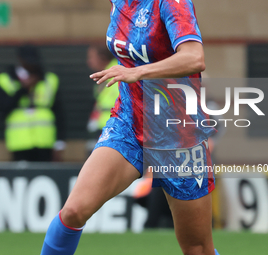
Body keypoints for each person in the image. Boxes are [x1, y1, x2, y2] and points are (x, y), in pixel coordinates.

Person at [41, 0, 220, 255]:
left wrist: (139, 72)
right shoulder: (119, 3)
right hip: (129, 123)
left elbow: (194, 58)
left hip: (178, 134)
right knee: (73, 211)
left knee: (197, 248)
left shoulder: (171, 3)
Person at [0, 45, 65, 162]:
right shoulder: (5, 79)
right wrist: (23, 89)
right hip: (20, 142)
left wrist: (59, 143)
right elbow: (2, 108)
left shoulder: (49, 80)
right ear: (20, 59)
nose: (31, 65)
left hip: (45, 141)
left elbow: (59, 112)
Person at [86, 45, 119, 153]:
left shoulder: (117, 71)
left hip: (116, 126)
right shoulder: (103, 75)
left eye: (91, 57)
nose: (89, 61)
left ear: (103, 57)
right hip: (103, 125)